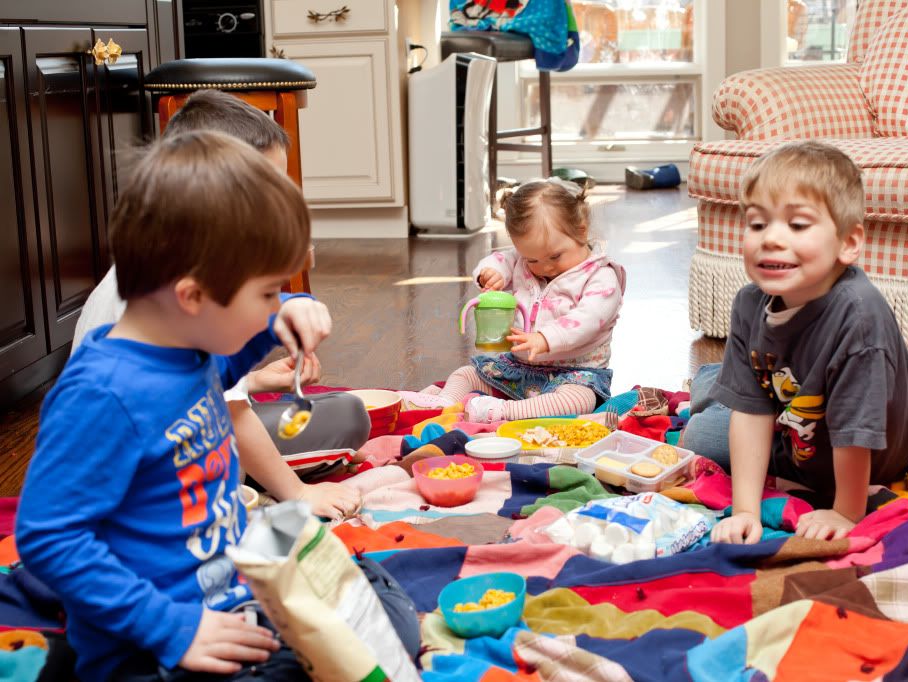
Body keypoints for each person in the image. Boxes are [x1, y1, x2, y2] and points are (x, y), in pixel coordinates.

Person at [17, 131, 326, 680]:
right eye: (268, 293)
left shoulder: (183, 349)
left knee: (364, 604)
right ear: (192, 296)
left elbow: (222, 373)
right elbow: (48, 535)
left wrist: (285, 315)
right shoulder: (104, 395)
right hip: (156, 649)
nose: (276, 303)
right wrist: (170, 628)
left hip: (228, 596)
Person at [71, 89, 367, 520]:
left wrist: (253, 380)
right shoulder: (193, 284)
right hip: (152, 475)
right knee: (347, 416)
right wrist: (298, 493)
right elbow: (221, 409)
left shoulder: (159, 256)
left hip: (129, 450)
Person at [682, 141, 908, 545]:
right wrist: (745, 510)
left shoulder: (858, 319)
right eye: (758, 224)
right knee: (702, 437)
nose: (771, 239)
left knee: (702, 433)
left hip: (861, 451)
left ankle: (714, 382)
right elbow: (752, 413)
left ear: (848, 243)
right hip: (797, 423)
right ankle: (718, 380)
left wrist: (846, 511)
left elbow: (856, 433)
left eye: (797, 225)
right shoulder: (749, 302)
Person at [438, 178, 626, 422]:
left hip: (575, 374)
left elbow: (587, 319)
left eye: (555, 256)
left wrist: (545, 339)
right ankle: (441, 405)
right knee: (465, 374)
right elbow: (503, 259)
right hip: (520, 369)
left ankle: (504, 411)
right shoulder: (523, 259)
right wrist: (490, 274)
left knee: (578, 400)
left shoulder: (602, 277)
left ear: (581, 230)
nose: (545, 267)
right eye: (533, 260)